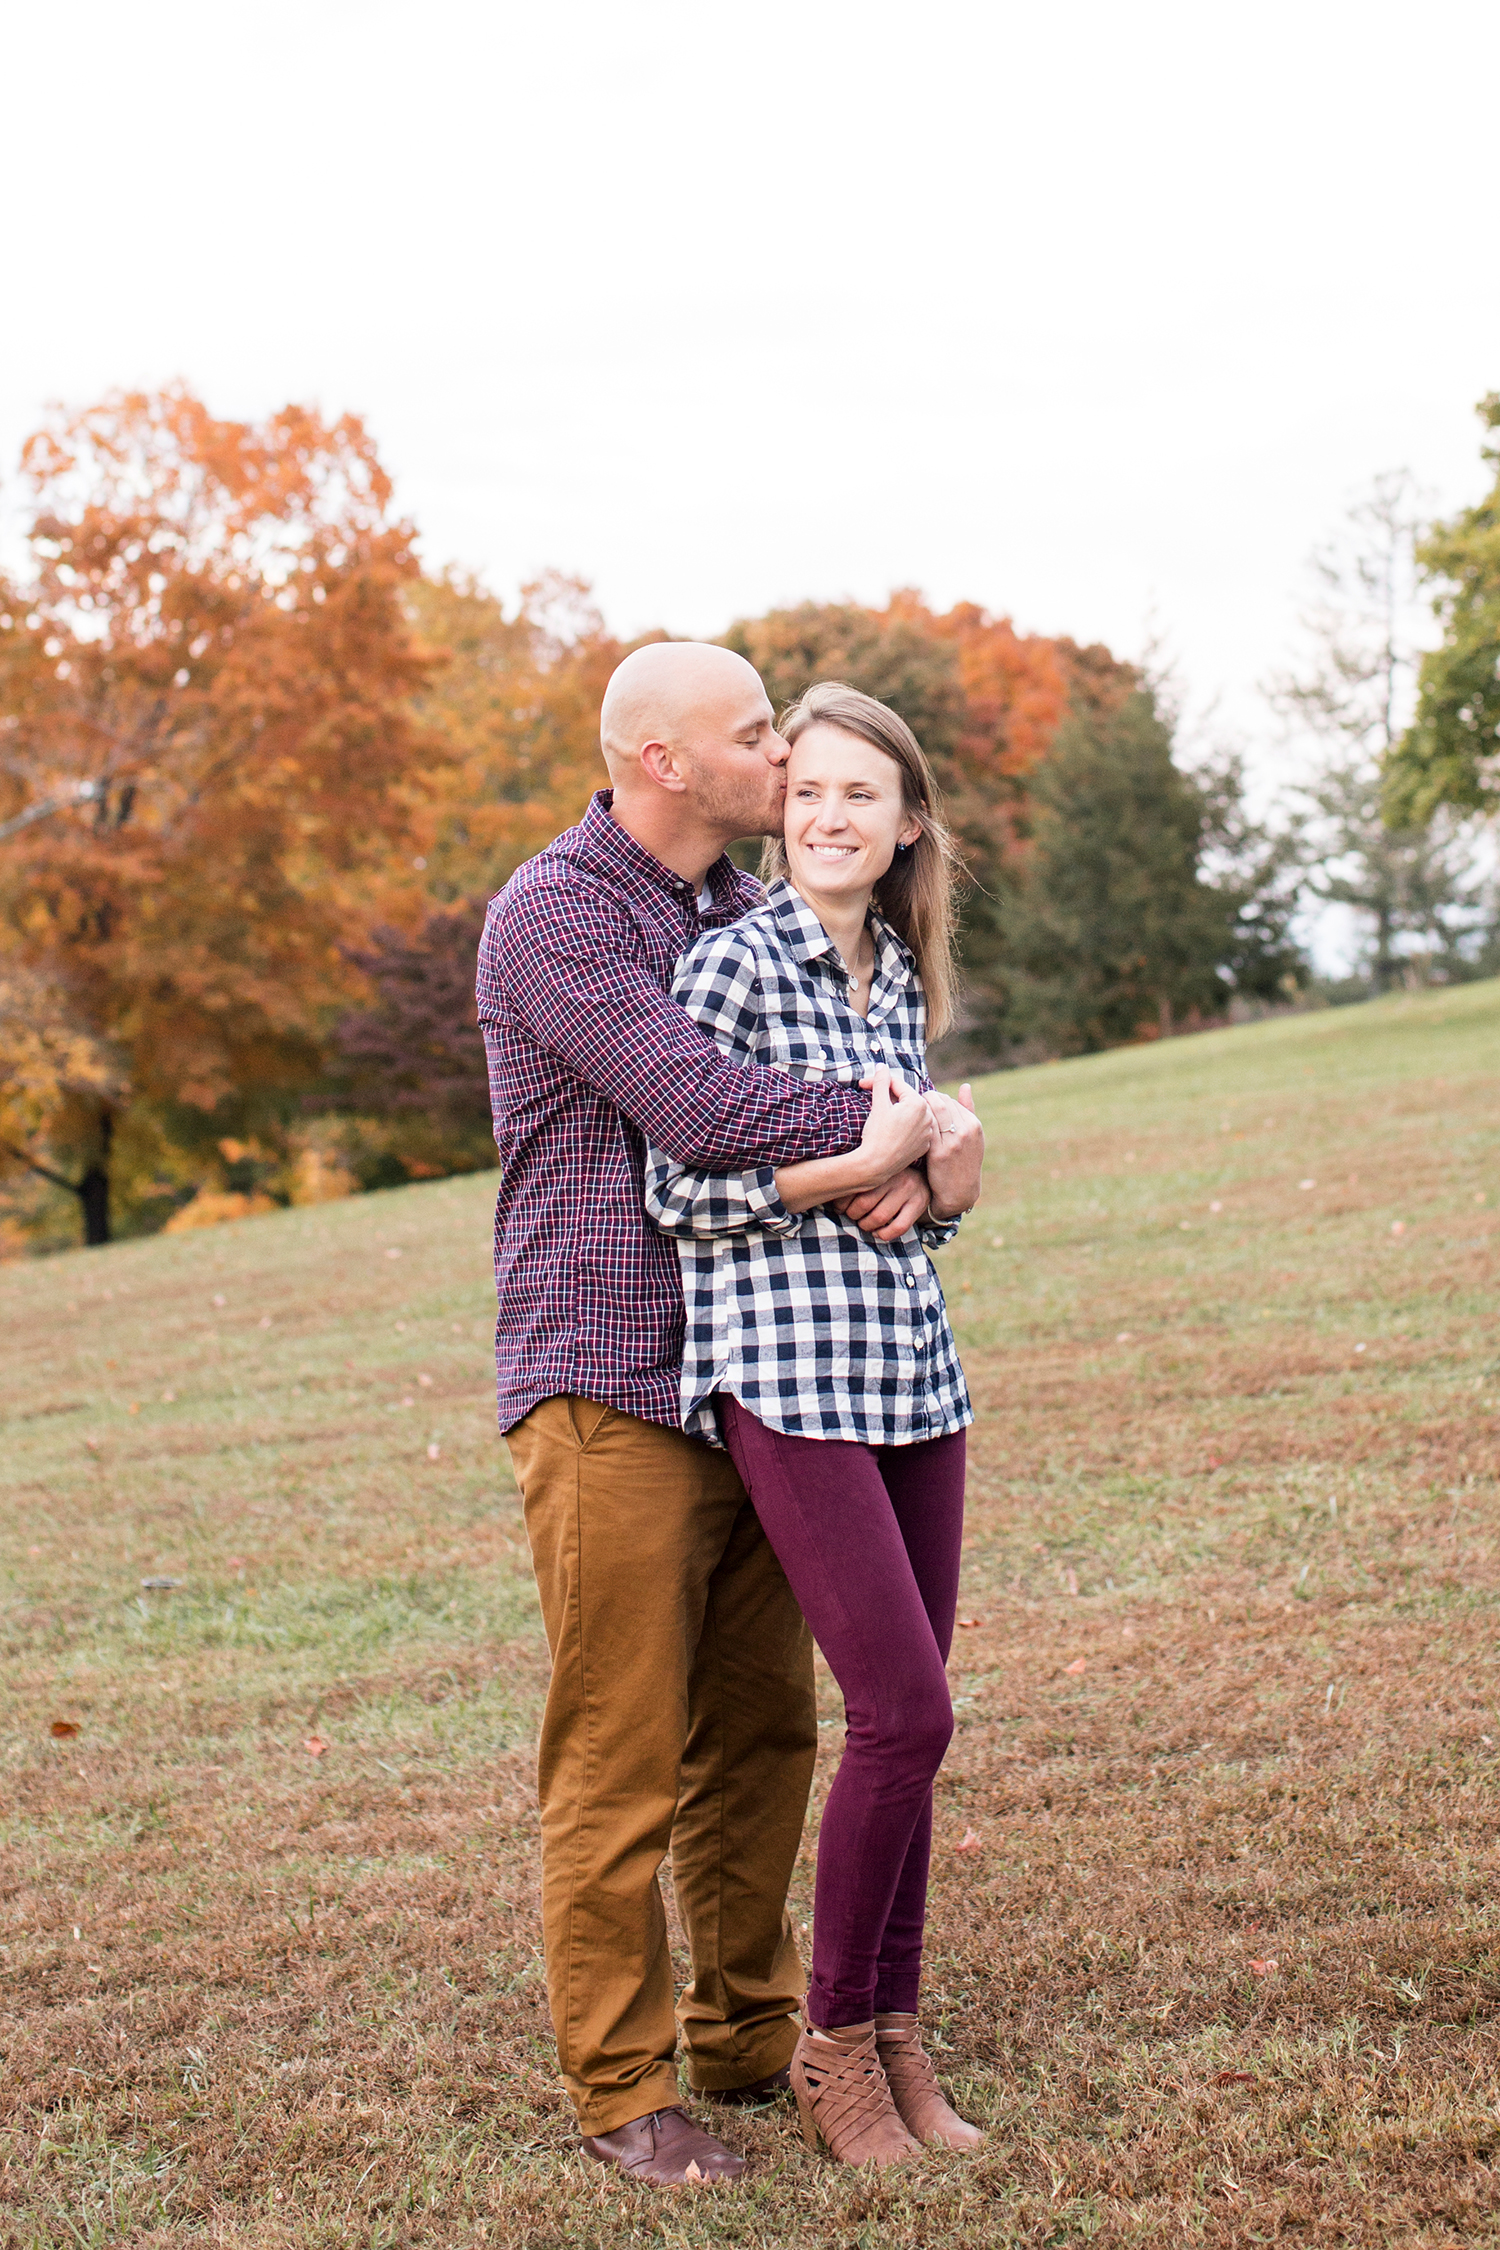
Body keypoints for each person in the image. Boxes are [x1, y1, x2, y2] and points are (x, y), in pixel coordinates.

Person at [476, 643, 936, 2188]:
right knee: (622, 1751)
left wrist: (936, 1128)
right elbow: (699, 1103)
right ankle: (625, 2089)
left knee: (765, 1727)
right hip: (606, 1380)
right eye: (755, 737)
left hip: (756, 1380)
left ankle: (750, 2030)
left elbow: (857, 1051)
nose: (781, 755)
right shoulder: (555, 914)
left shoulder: (741, 912)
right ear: (665, 762)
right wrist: (902, 1129)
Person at [645, 681, 986, 2169]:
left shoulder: (898, 979)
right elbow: (682, 1196)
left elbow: (907, 1212)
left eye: (862, 795)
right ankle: (832, 2046)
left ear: (907, 820)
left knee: (912, 1733)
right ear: (779, 815)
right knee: (904, 1712)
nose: (830, 816)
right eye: (808, 793)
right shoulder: (728, 968)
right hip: (786, 1382)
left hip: (911, 1374)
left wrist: (933, 1177)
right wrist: (862, 1152)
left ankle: (902, 2039)